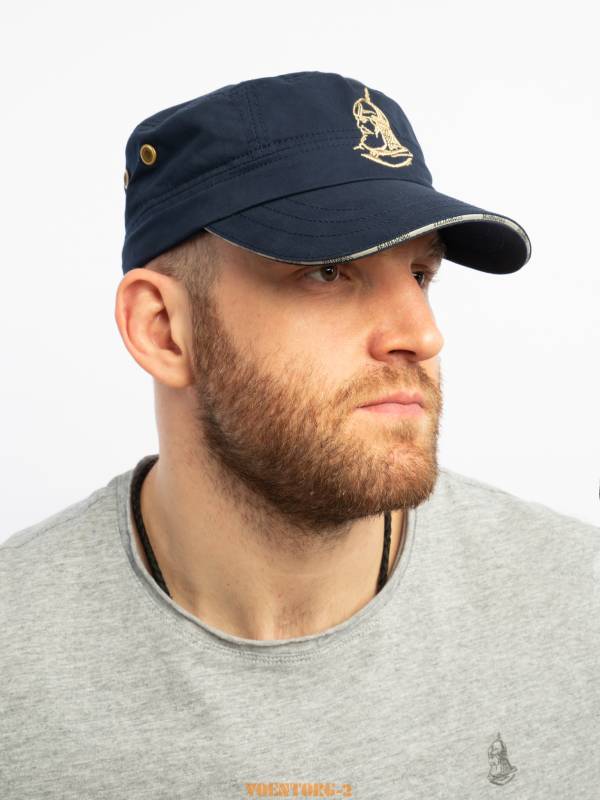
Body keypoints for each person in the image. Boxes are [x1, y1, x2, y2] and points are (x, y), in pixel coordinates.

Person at [1, 71, 598, 799]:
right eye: (327, 270)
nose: (421, 334)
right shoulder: (15, 658)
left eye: (420, 275)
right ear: (162, 330)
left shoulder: (579, 609)